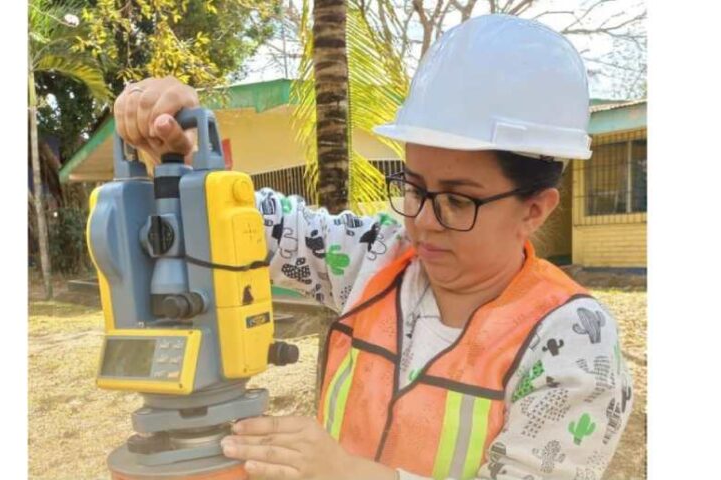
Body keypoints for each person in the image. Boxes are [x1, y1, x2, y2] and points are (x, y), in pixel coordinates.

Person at [113, 14, 633, 480]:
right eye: (412, 186)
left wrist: (345, 473)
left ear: (535, 209)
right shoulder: (375, 256)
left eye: (456, 200)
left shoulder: (574, 344)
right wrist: (182, 159)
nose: (422, 222)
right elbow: (247, 224)